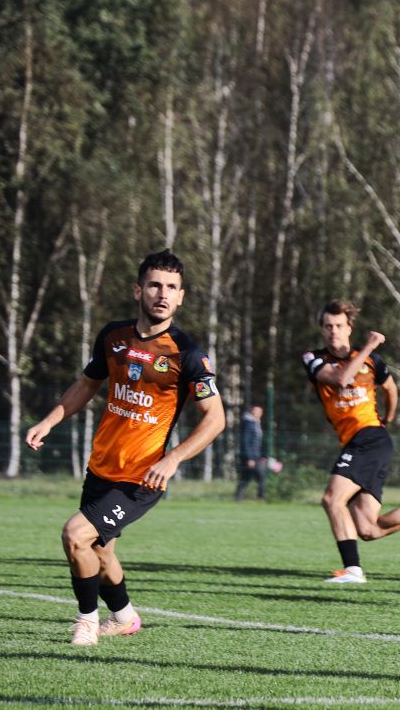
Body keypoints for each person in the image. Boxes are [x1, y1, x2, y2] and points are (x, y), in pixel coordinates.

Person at [25, 249, 227, 646]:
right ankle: (125, 617)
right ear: (138, 291)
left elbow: (215, 419)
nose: (162, 294)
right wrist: (49, 420)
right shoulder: (113, 336)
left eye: (171, 287)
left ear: (181, 296)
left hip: (142, 476)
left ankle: (86, 621)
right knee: (101, 554)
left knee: (76, 536)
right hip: (101, 466)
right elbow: (87, 384)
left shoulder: (188, 354)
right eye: (154, 285)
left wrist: (173, 459)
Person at [304, 300, 400, 583]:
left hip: (370, 438)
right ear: (322, 330)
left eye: (339, 325)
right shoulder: (313, 358)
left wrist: (387, 419)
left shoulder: (372, 361)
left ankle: (352, 570)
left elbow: (390, 388)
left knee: (332, 499)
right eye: (327, 326)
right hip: (357, 442)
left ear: (350, 327)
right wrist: (369, 346)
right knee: (369, 529)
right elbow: (341, 379)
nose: (333, 331)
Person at [234, 405, 266, 501]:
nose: (259, 414)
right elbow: (245, 442)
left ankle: (238, 498)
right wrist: (249, 458)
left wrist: (263, 455)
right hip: (251, 457)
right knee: (260, 476)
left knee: (246, 477)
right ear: (252, 412)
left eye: (260, 412)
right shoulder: (249, 424)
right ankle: (261, 497)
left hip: (256, 456)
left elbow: (257, 442)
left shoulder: (255, 424)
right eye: (257, 412)